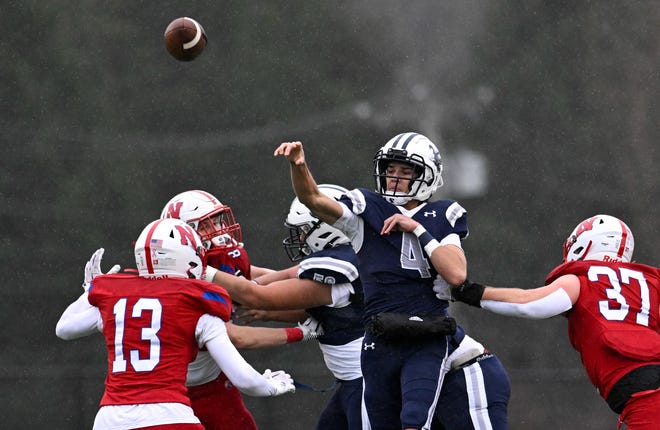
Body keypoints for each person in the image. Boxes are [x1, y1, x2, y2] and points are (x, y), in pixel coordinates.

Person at [274, 133, 468, 430]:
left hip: (425, 336)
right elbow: (312, 199)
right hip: (379, 338)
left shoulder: (442, 215)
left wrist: (416, 228)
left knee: (415, 422)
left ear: (427, 176)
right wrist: (299, 167)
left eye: (405, 172)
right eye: (390, 170)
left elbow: (456, 274)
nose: (394, 179)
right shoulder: (367, 212)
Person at [56, 218, 296, 430]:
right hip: (167, 415)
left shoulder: (115, 298)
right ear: (189, 256)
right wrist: (272, 386)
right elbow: (246, 381)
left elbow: (64, 329)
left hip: (109, 419)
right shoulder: (197, 302)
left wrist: (88, 291)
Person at [451, 214, 660, 430]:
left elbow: (528, 303)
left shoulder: (581, 279)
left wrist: (473, 293)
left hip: (644, 390)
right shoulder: (650, 282)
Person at [205, 184, 365, 430]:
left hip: (365, 382)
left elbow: (259, 296)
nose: (300, 238)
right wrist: (255, 290)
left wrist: (203, 271)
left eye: (303, 230)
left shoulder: (342, 266)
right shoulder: (343, 256)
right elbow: (289, 276)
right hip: (351, 381)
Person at [160, 189, 321, 430]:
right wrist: (300, 333)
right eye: (208, 225)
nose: (220, 231)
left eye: (218, 221)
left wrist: (305, 278)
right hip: (170, 390)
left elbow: (249, 277)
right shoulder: (180, 279)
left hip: (212, 381)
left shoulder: (212, 262)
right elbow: (235, 336)